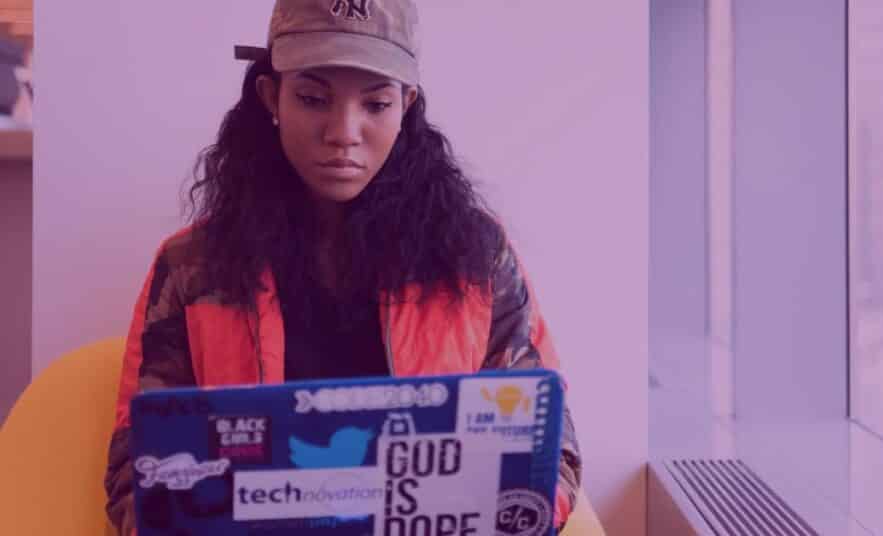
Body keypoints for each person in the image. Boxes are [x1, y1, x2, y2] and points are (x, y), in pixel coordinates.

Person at [102, 0, 582, 534]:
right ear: (271, 97)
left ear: (406, 106)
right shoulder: (191, 267)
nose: (344, 132)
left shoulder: (475, 258)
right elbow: (136, 469)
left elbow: (548, 453)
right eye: (313, 98)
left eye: (375, 104)